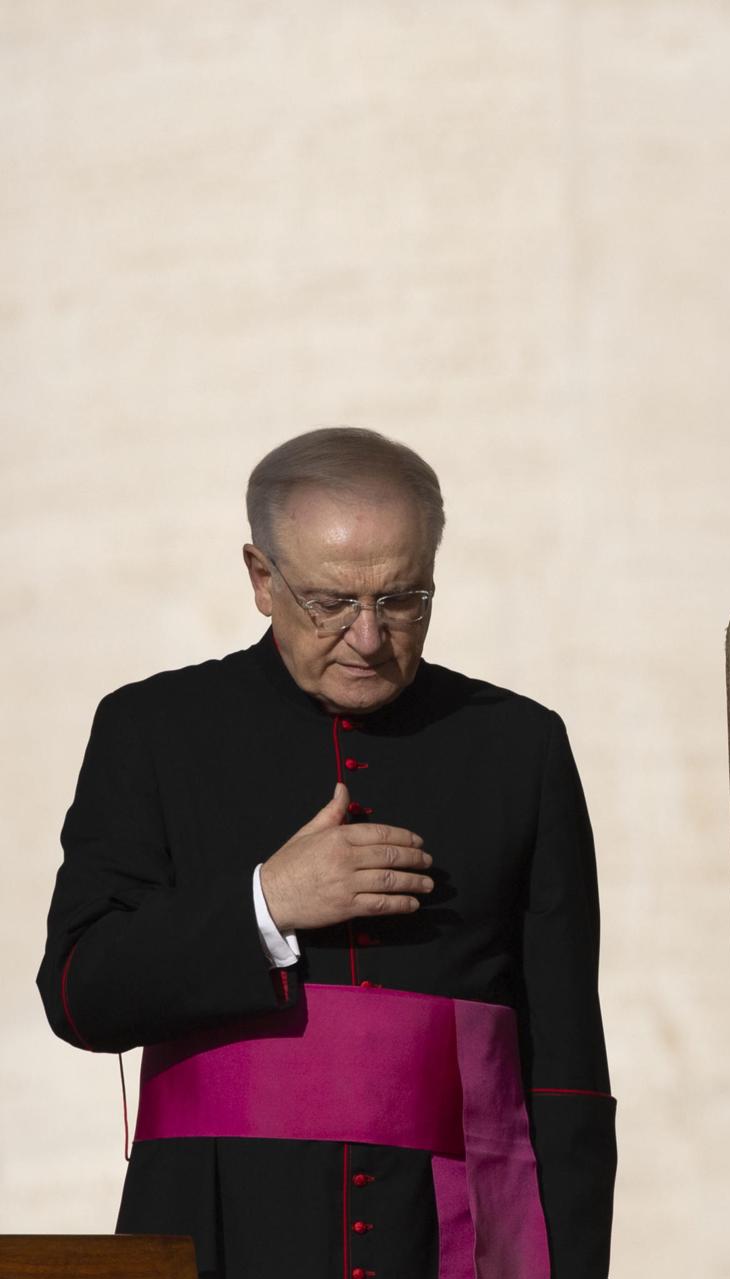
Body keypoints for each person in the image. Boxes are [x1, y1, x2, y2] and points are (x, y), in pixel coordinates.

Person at [38, 428, 616, 1278]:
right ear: (262, 579)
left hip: (451, 1232)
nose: (370, 637)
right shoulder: (152, 729)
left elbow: (567, 1067)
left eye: (404, 598)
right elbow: (78, 990)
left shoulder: (519, 747)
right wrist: (264, 905)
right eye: (332, 602)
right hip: (222, 1225)